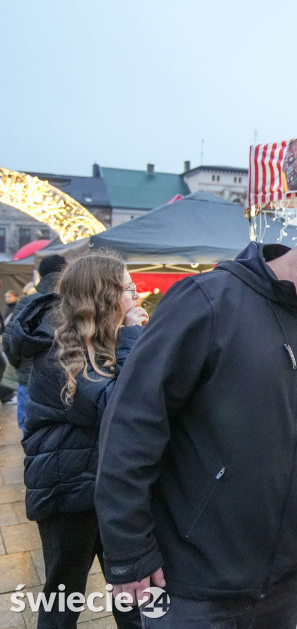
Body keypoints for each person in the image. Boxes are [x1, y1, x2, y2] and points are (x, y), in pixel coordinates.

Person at [94, 208, 297, 628]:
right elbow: (131, 429)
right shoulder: (206, 303)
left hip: (286, 583)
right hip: (193, 583)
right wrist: (128, 551)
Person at [13, 252, 147, 629]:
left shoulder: (105, 339)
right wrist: (132, 337)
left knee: (133, 595)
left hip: (109, 487)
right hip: (68, 490)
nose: (136, 295)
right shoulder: (59, 349)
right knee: (64, 596)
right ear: (103, 296)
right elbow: (118, 410)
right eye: (127, 288)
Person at [4, 254, 67, 434]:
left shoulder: (28, 302)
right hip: (67, 377)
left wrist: (19, 364)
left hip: (29, 376)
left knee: (29, 430)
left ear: (40, 274)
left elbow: (9, 340)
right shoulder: (74, 301)